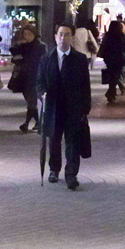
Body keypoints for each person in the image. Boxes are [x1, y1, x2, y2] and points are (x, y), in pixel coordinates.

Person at [36, 24, 91, 190]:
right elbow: (39, 82)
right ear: (55, 36)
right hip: (53, 107)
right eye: (60, 34)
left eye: (67, 35)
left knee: (73, 142)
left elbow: (85, 86)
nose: (63, 38)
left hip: (73, 108)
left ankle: (71, 174)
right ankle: (54, 169)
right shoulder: (46, 59)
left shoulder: (80, 59)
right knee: (54, 141)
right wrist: (42, 93)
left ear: (72, 37)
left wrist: (85, 109)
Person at [10, 25, 46, 132]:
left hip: (36, 76)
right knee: (30, 101)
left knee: (32, 101)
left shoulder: (40, 46)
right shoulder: (23, 46)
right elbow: (13, 53)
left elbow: (43, 60)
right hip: (24, 77)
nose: (27, 36)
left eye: (29, 34)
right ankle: (39, 122)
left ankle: (26, 123)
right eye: (25, 34)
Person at [98, 20, 125, 105]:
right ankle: (110, 93)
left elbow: (104, 46)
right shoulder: (122, 36)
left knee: (113, 76)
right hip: (119, 59)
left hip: (109, 58)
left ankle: (111, 93)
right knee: (115, 76)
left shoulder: (108, 35)